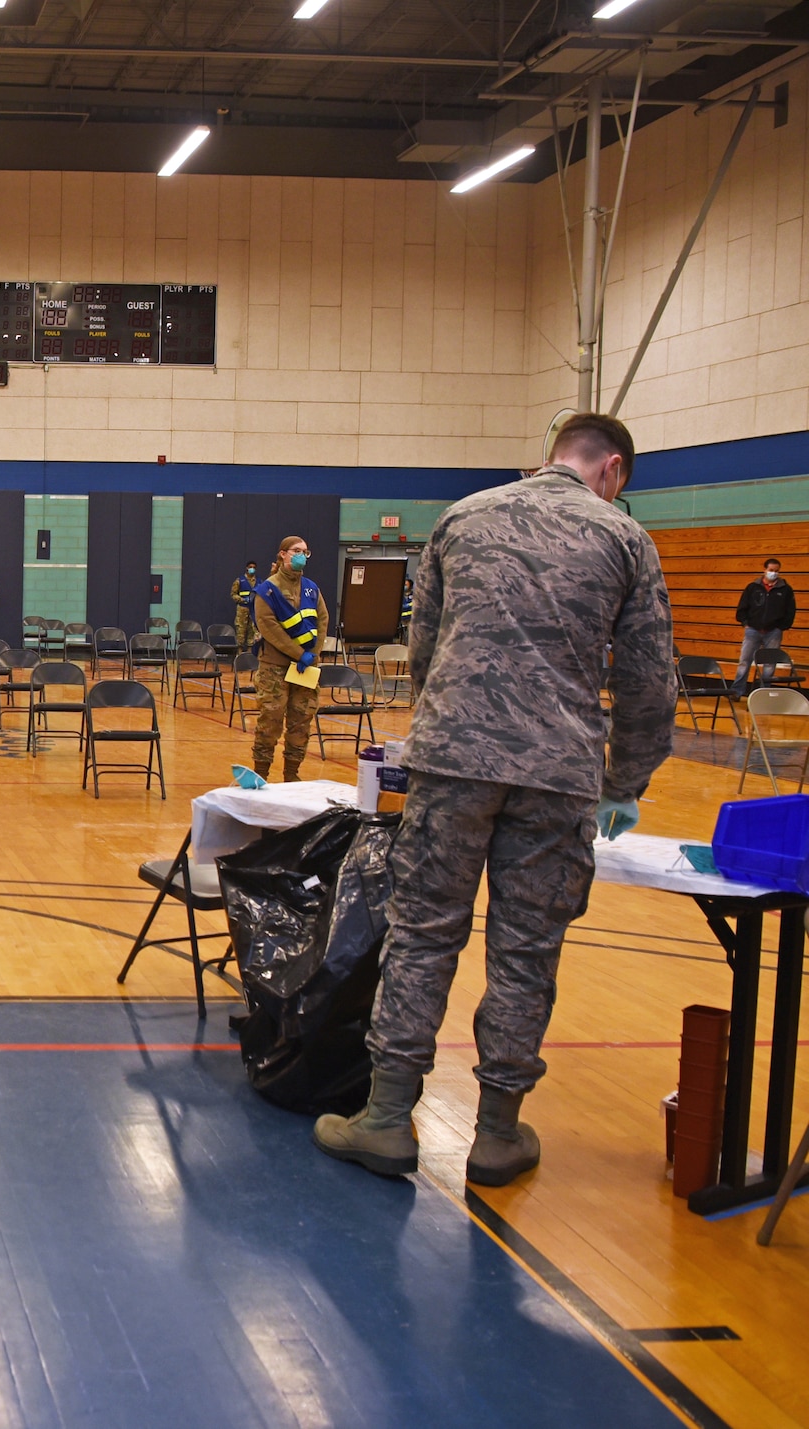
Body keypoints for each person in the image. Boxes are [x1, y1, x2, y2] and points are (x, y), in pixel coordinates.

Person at [313, 414, 677, 1188]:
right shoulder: (623, 539)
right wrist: (627, 780)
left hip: (453, 761)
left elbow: (425, 648)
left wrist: (446, 732)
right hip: (557, 773)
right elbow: (650, 682)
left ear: (552, 456)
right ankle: (497, 1134)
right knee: (525, 951)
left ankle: (384, 1117)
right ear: (612, 469)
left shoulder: (461, 517)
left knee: (421, 933)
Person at [249, 536, 327, 782]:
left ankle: (292, 774)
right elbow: (269, 627)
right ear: (283, 554)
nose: (302, 555)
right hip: (275, 667)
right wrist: (298, 653)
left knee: (301, 720)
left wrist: (313, 654)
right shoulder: (267, 590)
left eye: (305, 551)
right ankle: (260, 773)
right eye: (296, 550)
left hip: (306, 667)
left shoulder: (311, 588)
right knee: (270, 720)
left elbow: (322, 620)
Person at [731, 557, 795, 695]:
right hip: (752, 629)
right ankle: (737, 691)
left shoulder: (785, 590)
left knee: (770, 663)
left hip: (773, 631)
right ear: (765, 570)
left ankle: (764, 692)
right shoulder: (752, 587)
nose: (774, 573)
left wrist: (781, 627)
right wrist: (745, 623)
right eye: (771, 570)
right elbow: (742, 607)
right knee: (744, 661)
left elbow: (790, 610)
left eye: (777, 571)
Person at [231, 561, 259, 649]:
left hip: (253, 609)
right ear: (246, 568)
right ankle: (239, 653)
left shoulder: (259, 581)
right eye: (250, 567)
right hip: (242, 609)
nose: (252, 569)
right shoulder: (239, 580)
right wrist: (242, 599)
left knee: (252, 630)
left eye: (254, 567)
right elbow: (233, 594)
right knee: (241, 631)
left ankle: (249, 654)